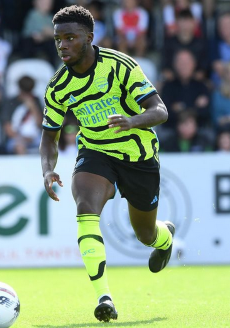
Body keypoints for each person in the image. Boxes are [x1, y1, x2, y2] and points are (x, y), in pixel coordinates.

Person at [39, 5, 175, 323]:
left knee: (145, 234)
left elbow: (160, 111)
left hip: (138, 156)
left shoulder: (119, 66)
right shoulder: (58, 87)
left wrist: (132, 121)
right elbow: (49, 137)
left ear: (89, 37)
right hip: (95, 152)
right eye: (58, 40)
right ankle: (104, 297)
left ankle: (164, 237)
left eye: (70, 38)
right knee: (85, 207)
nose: (63, 46)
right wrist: (47, 169)